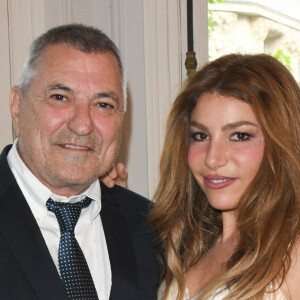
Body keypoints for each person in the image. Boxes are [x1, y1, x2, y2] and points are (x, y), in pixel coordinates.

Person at [0, 24, 159, 300]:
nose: (83, 125)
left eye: (103, 105)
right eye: (60, 97)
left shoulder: (156, 232)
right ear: (17, 104)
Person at [147, 53, 300, 299]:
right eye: (200, 136)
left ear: (281, 143)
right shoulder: (186, 244)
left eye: (239, 136)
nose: (212, 158)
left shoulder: (293, 256)